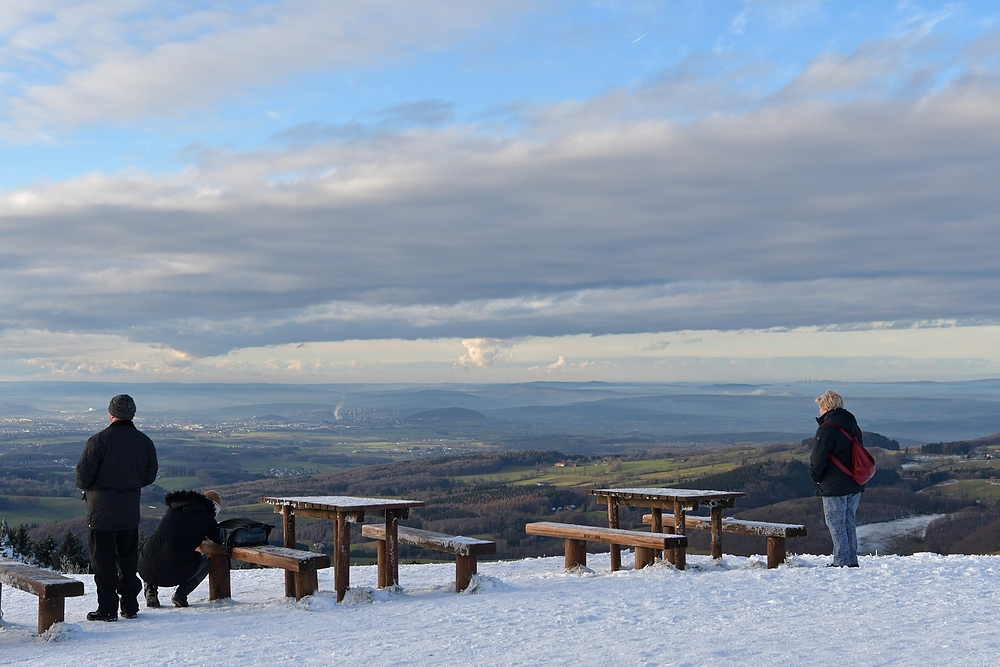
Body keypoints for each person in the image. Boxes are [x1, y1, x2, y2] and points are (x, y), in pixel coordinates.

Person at [76, 394, 158, 621]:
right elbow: (149, 476)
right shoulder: (144, 442)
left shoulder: (98, 441)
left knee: (103, 563)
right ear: (132, 414)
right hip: (130, 511)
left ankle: (108, 609)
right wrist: (129, 485)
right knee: (128, 561)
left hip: (101, 513)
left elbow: (82, 478)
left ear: (111, 414)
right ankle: (130, 606)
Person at [139, 489, 222, 608]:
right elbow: (218, 538)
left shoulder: (173, 509)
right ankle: (181, 594)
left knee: (152, 554)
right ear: (214, 507)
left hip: (146, 568)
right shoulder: (205, 518)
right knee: (205, 563)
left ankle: (150, 592)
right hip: (176, 572)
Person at [810, 389, 864, 568]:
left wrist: (816, 478)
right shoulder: (853, 425)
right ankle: (851, 560)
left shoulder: (826, 429)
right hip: (854, 481)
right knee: (849, 521)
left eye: (820, 407)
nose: (819, 411)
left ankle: (841, 561)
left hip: (834, 485)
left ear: (826, 407)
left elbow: (818, 458)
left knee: (835, 523)